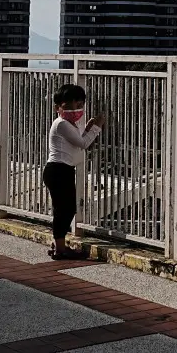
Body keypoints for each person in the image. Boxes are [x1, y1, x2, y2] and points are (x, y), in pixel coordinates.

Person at [43, 84, 106, 260]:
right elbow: (84, 144)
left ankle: (59, 245)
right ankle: (60, 248)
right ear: (58, 107)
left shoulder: (69, 125)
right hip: (58, 170)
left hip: (63, 170)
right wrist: (96, 127)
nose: (75, 109)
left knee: (66, 208)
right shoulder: (62, 124)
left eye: (78, 105)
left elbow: (78, 142)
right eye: (69, 106)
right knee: (64, 209)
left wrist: (86, 130)